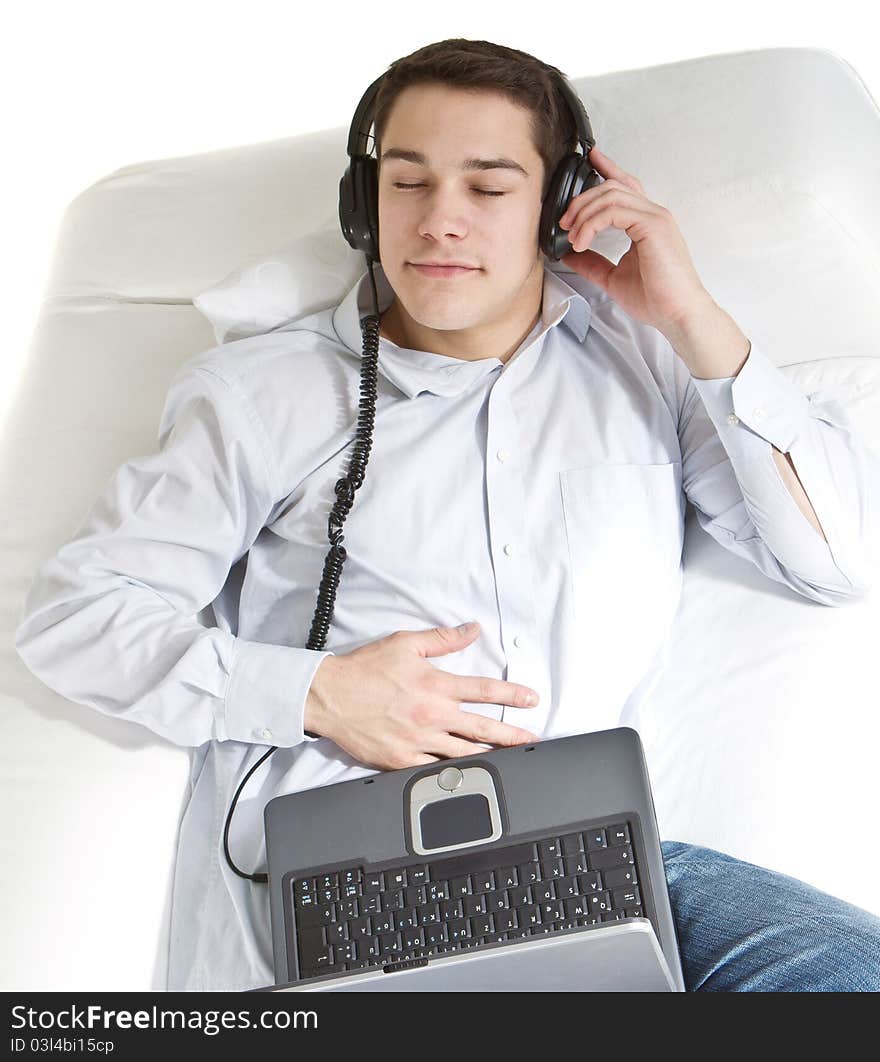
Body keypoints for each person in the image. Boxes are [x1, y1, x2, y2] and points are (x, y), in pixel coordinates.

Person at [14, 38, 880, 992]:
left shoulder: (649, 365)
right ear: (365, 200)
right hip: (357, 871)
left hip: (595, 861)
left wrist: (688, 314)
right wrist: (316, 693)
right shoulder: (266, 394)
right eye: (408, 181)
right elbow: (75, 619)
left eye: (488, 187)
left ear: (556, 208)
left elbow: (832, 560)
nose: (438, 223)